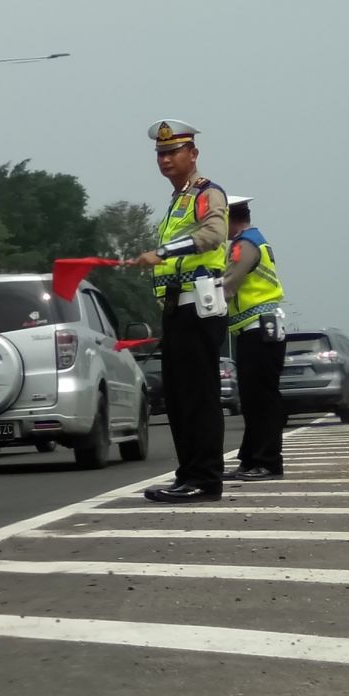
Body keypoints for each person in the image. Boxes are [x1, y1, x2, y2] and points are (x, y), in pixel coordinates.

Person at [128, 120, 229, 502]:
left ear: (193, 154)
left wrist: (165, 252)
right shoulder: (177, 201)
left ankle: (204, 479)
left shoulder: (208, 193)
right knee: (180, 397)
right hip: (176, 309)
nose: (166, 159)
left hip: (198, 307)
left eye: (173, 152)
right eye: (160, 154)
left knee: (199, 396)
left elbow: (214, 234)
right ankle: (188, 473)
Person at [222, 195, 286, 480]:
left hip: (259, 329)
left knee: (262, 400)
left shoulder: (245, 244)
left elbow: (228, 284)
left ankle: (268, 461)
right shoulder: (251, 240)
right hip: (252, 330)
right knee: (252, 400)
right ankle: (250, 459)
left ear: (228, 218)